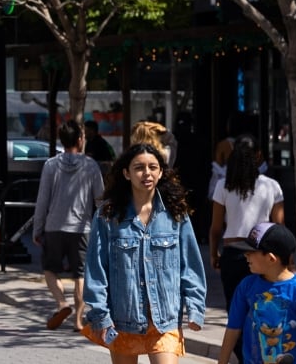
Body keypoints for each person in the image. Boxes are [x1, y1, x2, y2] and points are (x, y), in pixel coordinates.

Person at [82, 143, 206, 363]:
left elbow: (191, 266)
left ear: (160, 172)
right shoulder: (108, 216)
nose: (146, 173)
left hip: (165, 320)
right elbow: (96, 270)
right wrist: (101, 315)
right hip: (122, 320)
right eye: (139, 167)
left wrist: (195, 308)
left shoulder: (176, 214)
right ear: (126, 173)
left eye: (152, 167)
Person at [216, 223, 296, 364]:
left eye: (251, 252)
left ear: (271, 258)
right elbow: (233, 328)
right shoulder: (246, 286)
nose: (246, 256)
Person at [30, 120, 103, 331]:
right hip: (82, 228)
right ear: (80, 140)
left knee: (50, 270)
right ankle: (79, 321)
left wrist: (37, 228)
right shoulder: (91, 165)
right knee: (79, 275)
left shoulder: (51, 165)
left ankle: (62, 303)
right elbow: (100, 199)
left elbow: (42, 199)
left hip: (54, 226)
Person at [209, 136, 283, 307]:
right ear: (258, 156)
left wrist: (214, 253)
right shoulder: (272, 186)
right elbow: (279, 226)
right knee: (262, 309)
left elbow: (216, 227)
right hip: (262, 252)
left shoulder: (223, 185)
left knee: (235, 310)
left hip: (233, 252)